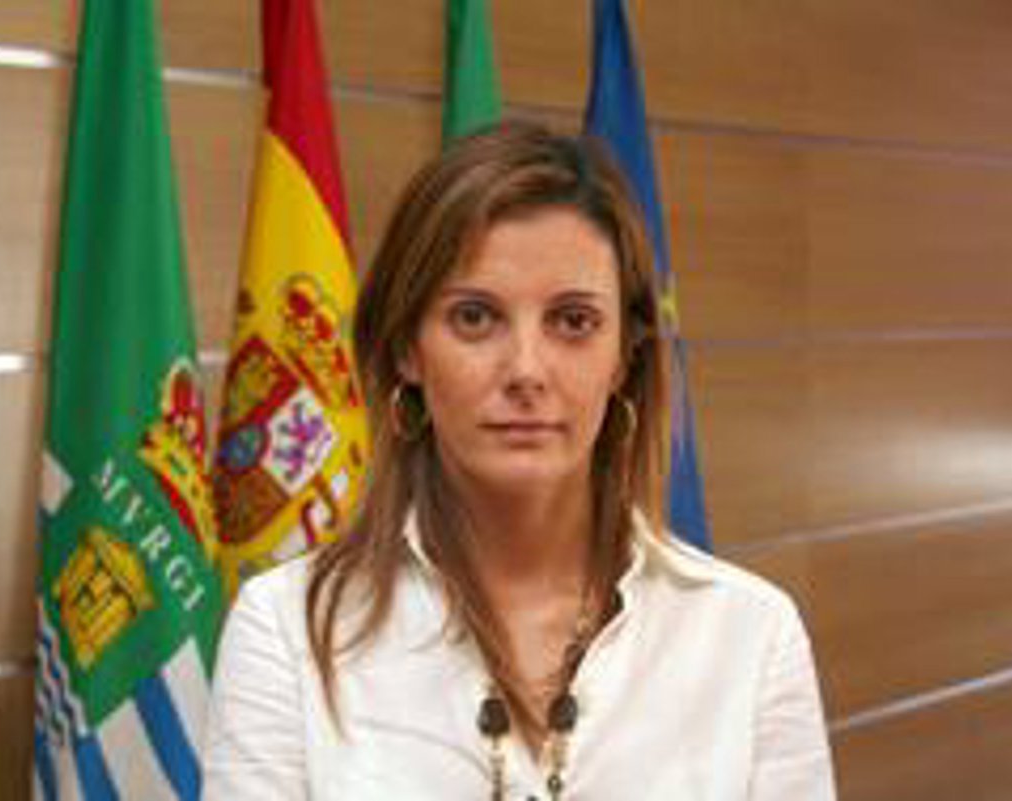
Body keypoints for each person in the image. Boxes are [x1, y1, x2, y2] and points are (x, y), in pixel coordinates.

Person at [202, 121, 837, 800]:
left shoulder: (750, 634)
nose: (526, 370)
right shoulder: (287, 628)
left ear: (624, 357)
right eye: (475, 318)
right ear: (408, 348)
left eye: (573, 321)